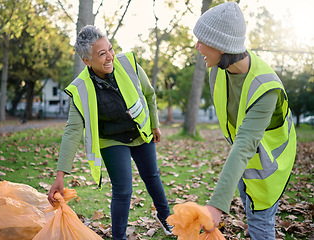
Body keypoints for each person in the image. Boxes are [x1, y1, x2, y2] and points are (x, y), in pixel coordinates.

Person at [48, 25, 173, 240]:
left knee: (152, 177)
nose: (109, 57)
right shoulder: (80, 89)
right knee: (123, 190)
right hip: (111, 140)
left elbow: (149, 92)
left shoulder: (128, 63)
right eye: (102, 53)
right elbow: (72, 132)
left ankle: (167, 220)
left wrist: (154, 123)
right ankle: (119, 238)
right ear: (87, 61)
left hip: (139, 133)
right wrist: (60, 175)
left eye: (110, 49)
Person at [192, 2, 296, 239]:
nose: (197, 46)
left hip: (271, 166)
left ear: (222, 46)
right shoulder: (217, 71)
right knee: (250, 212)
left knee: (260, 223)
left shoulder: (266, 87)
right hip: (245, 158)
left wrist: (217, 205)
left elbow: (246, 142)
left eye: (202, 41)